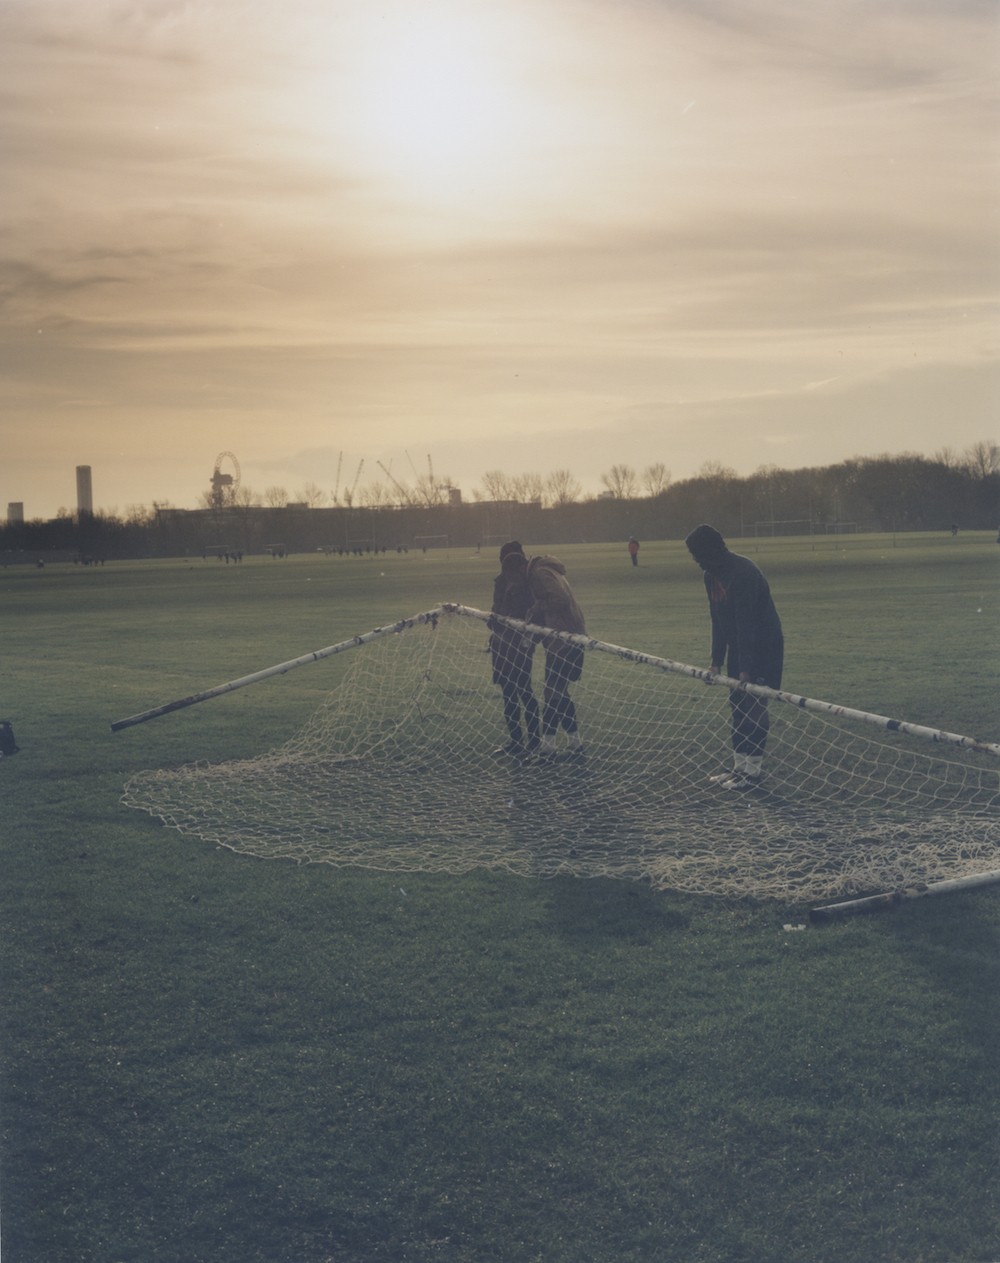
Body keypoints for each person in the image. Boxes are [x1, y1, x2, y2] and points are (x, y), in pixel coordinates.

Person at [685, 524, 784, 789]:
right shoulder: (711, 576)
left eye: (698, 555)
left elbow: (747, 623)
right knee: (738, 706)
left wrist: (746, 669)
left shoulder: (743, 573)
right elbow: (718, 620)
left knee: (753, 707)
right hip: (740, 648)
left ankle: (752, 773)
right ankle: (738, 769)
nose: (696, 561)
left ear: (711, 551)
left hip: (763, 648)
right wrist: (716, 661)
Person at [525, 554, 587, 759]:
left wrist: (537, 607)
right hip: (573, 636)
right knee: (560, 691)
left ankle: (549, 746)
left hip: (563, 639)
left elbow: (559, 599)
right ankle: (575, 741)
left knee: (552, 691)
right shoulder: (553, 571)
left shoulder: (539, 573)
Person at [488, 542, 540, 757]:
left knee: (522, 691)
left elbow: (531, 613)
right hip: (501, 644)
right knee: (510, 693)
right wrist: (495, 621)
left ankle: (533, 742)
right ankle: (517, 741)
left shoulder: (527, 584)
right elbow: (495, 611)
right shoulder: (501, 582)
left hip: (518, 645)